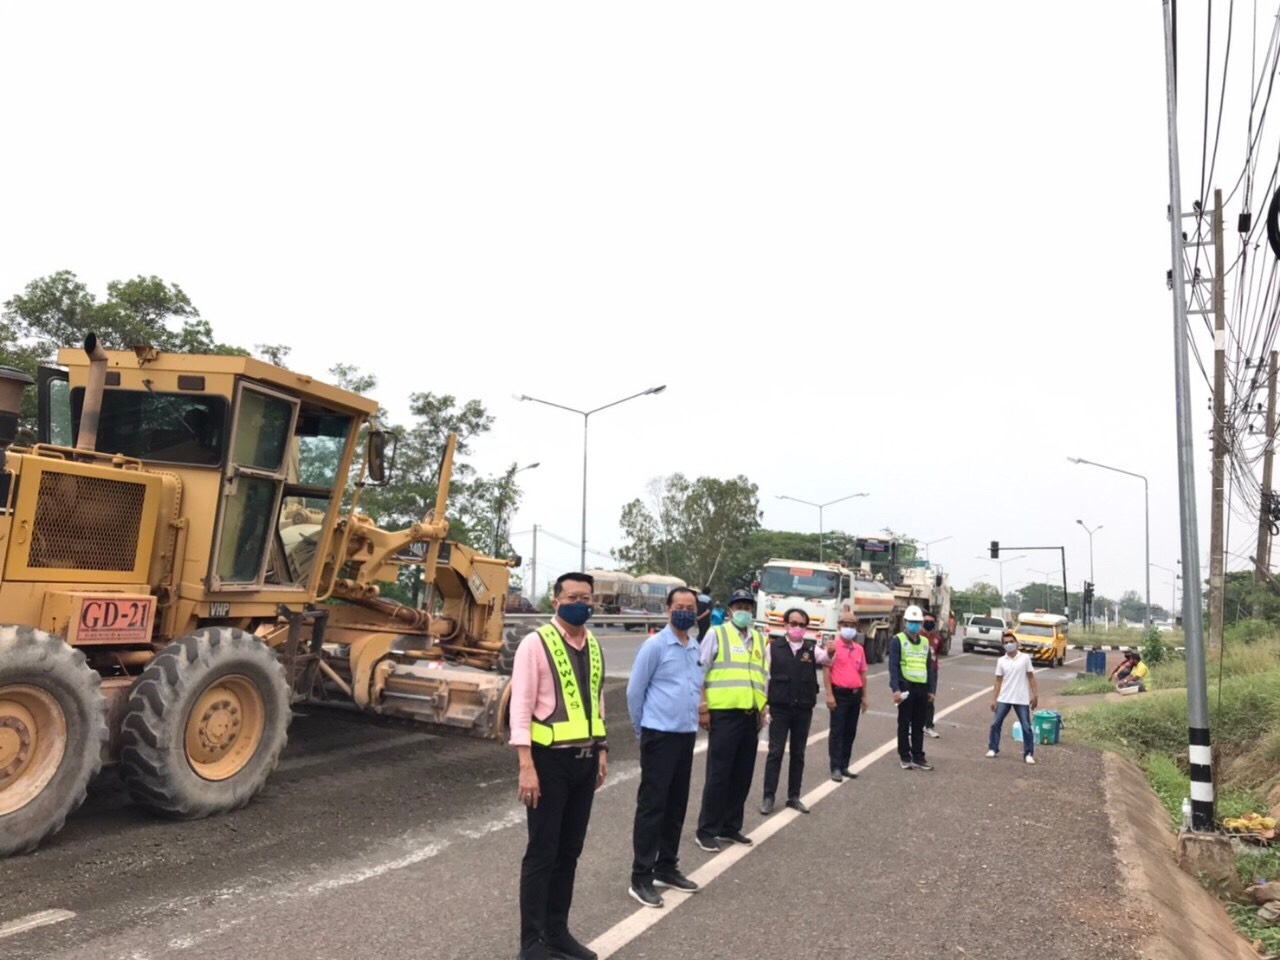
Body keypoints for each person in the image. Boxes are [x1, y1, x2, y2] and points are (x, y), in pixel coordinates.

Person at [509, 572, 609, 960]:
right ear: (555, 602)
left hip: (584, 761)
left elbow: (596, 701)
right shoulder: (535, 643)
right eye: (572, 597)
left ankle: (557, 932)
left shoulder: (593, 644)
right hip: (548, 762)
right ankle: (531, 942)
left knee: (570, 851)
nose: (580, 603)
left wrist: (601, 749)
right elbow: (520, 707)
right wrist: (526, 764)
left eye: (586, 598)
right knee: (543, 851)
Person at [625, 587, 704, 909]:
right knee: (652, 806)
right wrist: (642, 730)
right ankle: (640, 876)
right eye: (679, 606)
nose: (685, 612)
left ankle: (666, 866)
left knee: (676, 804)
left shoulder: (694, 646)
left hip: (685, 734)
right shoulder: (655, 646)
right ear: (668, 609)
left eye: (690, 607)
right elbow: (635, 692)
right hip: (659, 735)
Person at [695, 588, 767, 852]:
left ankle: (730, 826)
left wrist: (762, 708)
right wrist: (703, 707)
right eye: (739, 607)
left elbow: (762, 676)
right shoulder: (717, 634)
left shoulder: (759, 639)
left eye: (748, 607)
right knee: (719, 774)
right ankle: (706, 830)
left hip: (750, 715)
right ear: (729, 611)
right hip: (724, 715)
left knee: (742, 774)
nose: (744, 612)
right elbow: (700, 671)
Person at [759, 608, 830, 814]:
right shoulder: (773, 648)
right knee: (775, 752)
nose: (797, 627)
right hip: (779, 708)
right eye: (793, 623)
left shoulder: (811, 649)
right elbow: (765, 677)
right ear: (785, 625)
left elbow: (826, 659)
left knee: (798, 753)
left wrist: (831, 651)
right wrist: (764, 705)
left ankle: (794, 796)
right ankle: (768, 796)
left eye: (801, 624)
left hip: (803, 709)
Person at [887, 605, 937, 771]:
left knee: (918, 724)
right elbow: (893, 667)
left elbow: (929, 667)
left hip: (922, 688)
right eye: (911, 622)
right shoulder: (897, 640)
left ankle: (918, 756)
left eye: (917, 622)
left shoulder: (925, 642)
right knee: (904, 723)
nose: (914, 625)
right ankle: (905, 756)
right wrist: (895, 689)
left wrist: (931, 690)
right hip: (905, 687)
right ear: (905, 622)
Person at [825, 609, 868, 782]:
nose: (849, 628)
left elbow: (863, 673)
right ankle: (835, 766)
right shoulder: (832, 647)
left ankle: (844, 765)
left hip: (855, 695)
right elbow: (826, 672)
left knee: (850, 732)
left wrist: (864, 696)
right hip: (839, 694)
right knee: (837, 731)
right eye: (845, 625)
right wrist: (829, 694)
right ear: (839, 626)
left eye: (852, 625)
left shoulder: (859, 649)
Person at [986, 630, 1039, 764]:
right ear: (1003, 645)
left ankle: (1028, 753)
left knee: (1026, 726)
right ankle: (993, 748)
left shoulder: (1025, 658)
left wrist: (1035, 695)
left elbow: (1031, 677)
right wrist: (994, 699)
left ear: (1016, 642)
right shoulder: (1001, 661)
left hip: (1021, 698)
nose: (1009, 644)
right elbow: (998, 681)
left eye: (1011, 642)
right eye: (1006, 643)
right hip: (1004, 697)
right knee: (995, 724)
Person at [921, 612, 944, 739]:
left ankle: (928, 726)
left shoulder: (937, 639)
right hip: (918, 671)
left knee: (930, 698)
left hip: (932, 672)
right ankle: (914, 724)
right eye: (926, 621)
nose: (928, 623)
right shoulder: (917, 636)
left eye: (931, 621)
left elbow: (938, 652)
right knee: (916, 699)